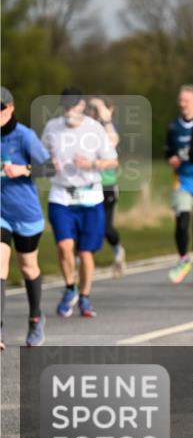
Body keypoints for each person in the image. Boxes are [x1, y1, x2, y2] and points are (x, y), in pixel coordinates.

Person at [43, 87, 119, 319]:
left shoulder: (94, 129)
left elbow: (113, 162)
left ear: (82, 106)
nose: (69, 110)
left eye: (73, 105)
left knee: (86, 253)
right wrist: (48, 163)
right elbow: (39, 156)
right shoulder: (52, 128)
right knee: (64, 246)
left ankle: (85, 296)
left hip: (90, 196)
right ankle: (70, 288)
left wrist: (91, 165)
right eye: (65, 106)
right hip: (61, 195)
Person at [1, 87, 49, 348]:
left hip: (26, 213)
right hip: (1, 213)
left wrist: (23, 169)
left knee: (29, 268)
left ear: (10, 108)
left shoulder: (24, 136)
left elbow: (50, 167)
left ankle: (35, 318)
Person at [165, 85, 193, 287]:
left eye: (187, 100)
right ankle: (184, 258)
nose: (182, 104)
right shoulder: (173, 127)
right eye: (180, 100)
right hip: (182, 180)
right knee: (182, 222)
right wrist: (171, 158)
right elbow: (168, 151)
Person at [85, 97, 126, 278]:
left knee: (105, 228)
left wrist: (105, 116)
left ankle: (118, 250)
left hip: (107, 186)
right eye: (92, 108)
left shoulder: (108, 129)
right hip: (86, 186)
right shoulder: (84, 129)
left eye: (98, 109)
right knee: (88, 225)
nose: (94, 112)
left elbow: (112, 141)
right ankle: (82, 262)